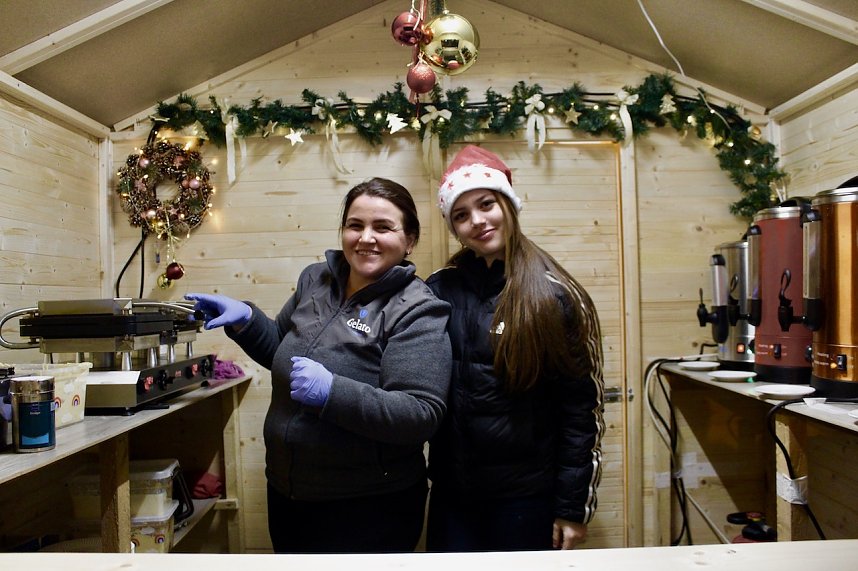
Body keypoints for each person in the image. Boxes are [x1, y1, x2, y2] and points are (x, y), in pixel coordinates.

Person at [185, 177, 452, 554]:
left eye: (383, 227)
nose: (366, 238)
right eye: (355, 225)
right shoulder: (316, 279)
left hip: (369, 506)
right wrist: (246, 319)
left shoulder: (417, 308)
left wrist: (332, 392)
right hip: (287, 491)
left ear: (409, 241)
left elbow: (419, 413)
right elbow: (282, 352)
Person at [424, 145, 605, 552]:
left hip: (525, 501)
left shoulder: (554, 294)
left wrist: (572, 509)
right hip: (452, 497)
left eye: (486, 204)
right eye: (461, 215)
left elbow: (581, 412)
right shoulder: (439, 289)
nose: (477, 221)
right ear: (453, 229)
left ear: (508, 203)